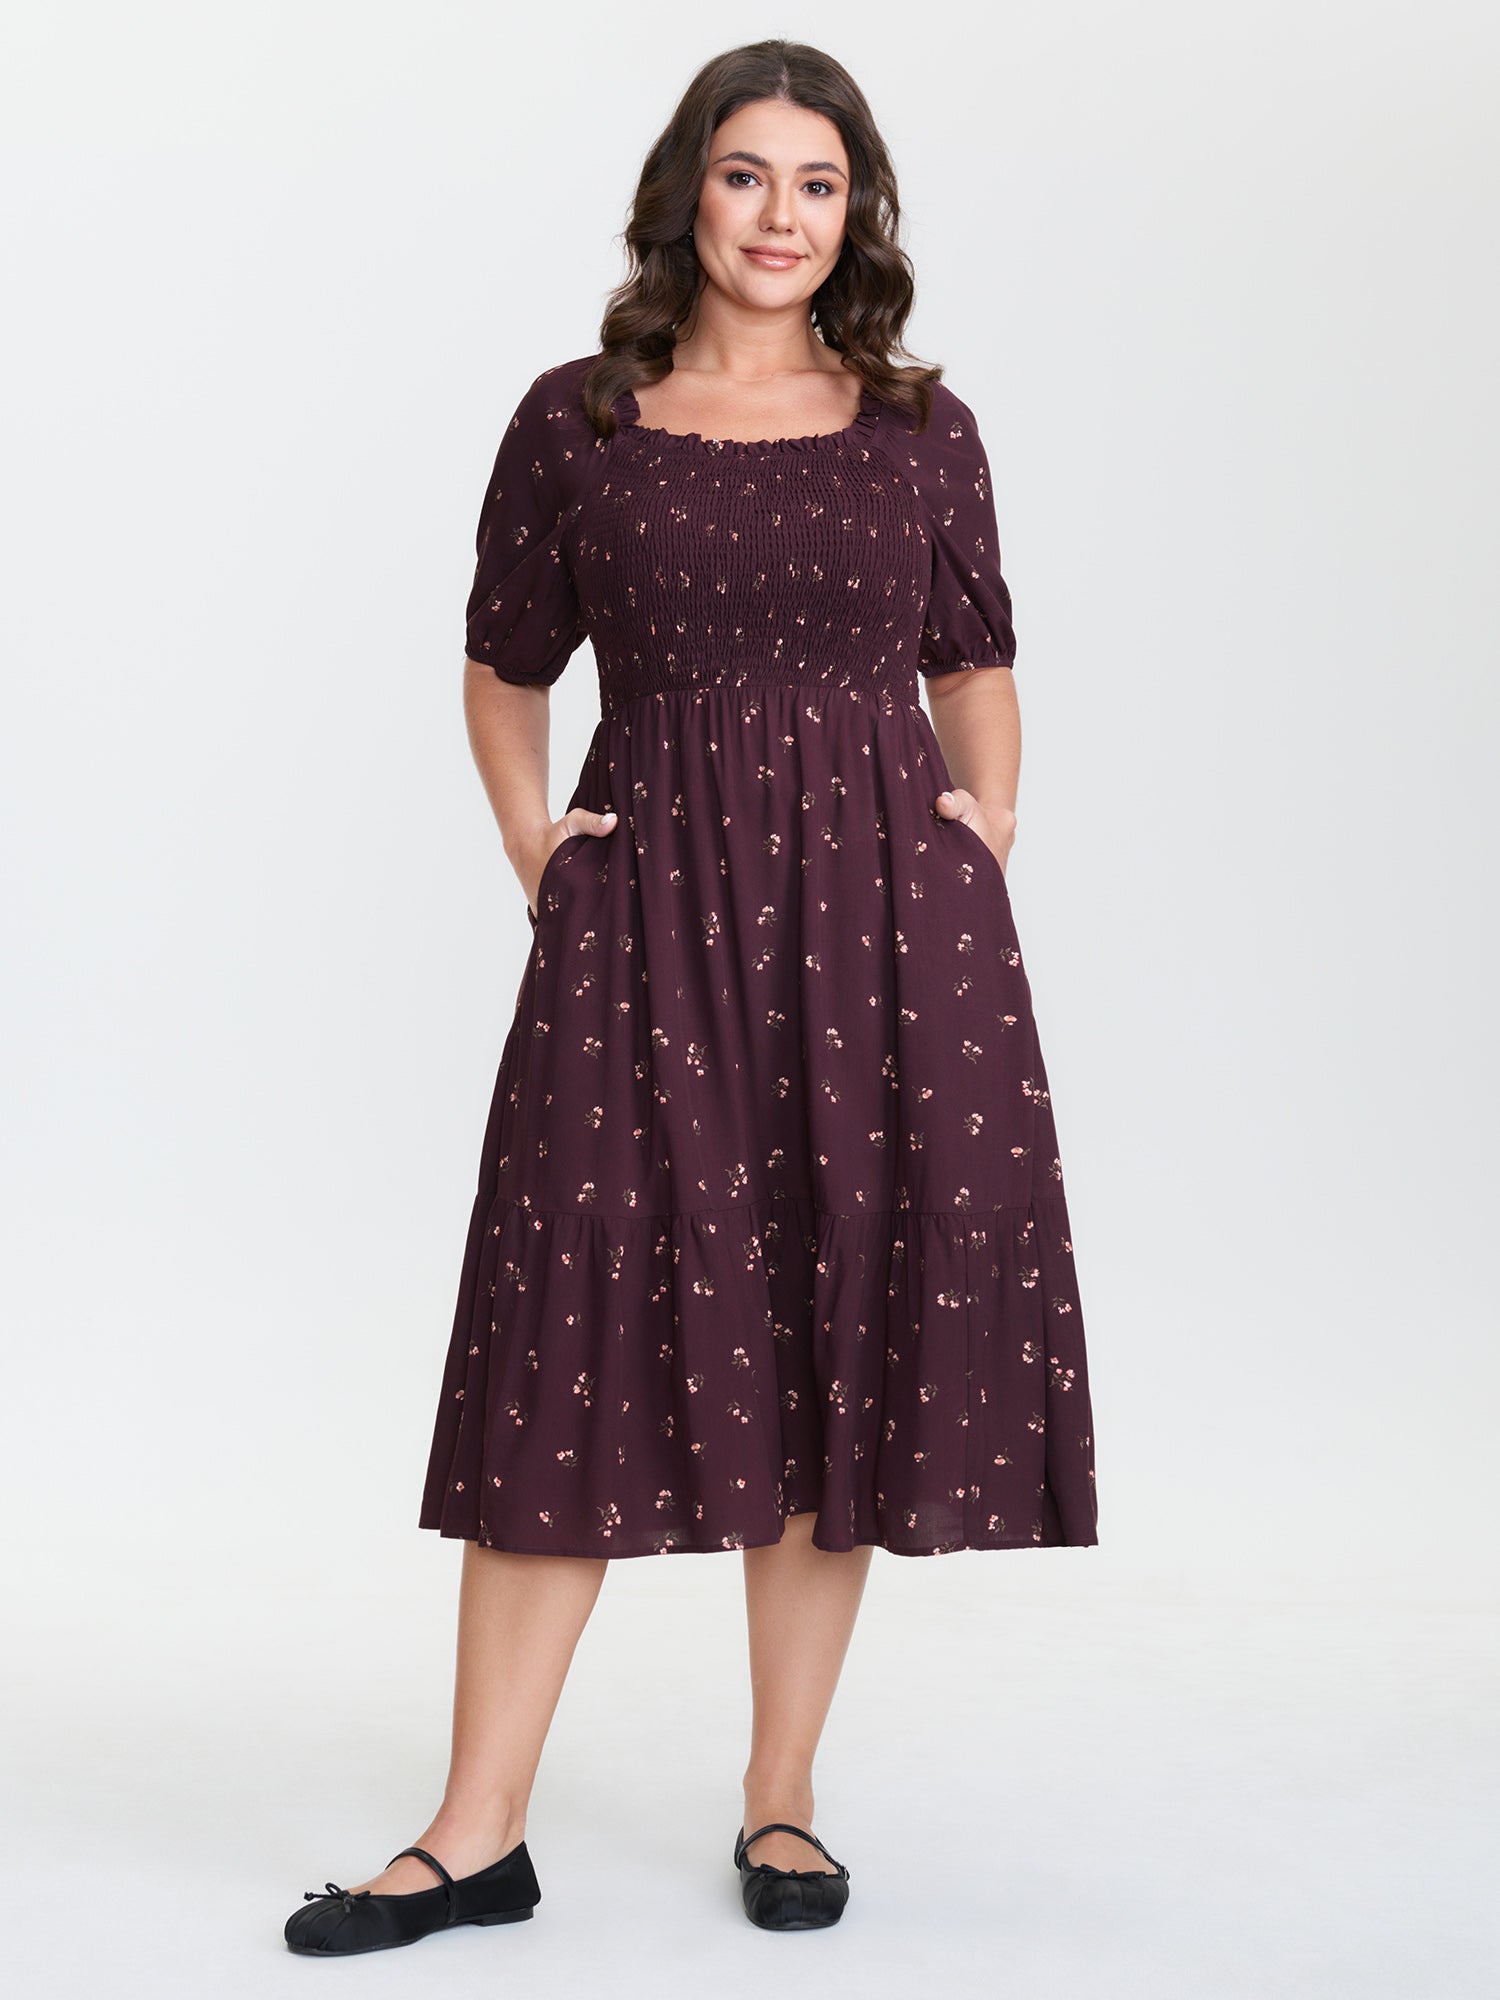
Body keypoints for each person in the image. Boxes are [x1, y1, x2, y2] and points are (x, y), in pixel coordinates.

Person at [284, 36, 1098, 1957]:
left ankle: (781, 1798)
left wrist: (984, 828)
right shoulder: (580, 420)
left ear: (855, 213)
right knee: (564, 1325)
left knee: (833, 1326)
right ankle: (476, 1832)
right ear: (688, 196)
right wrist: (530, 839)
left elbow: (974, 656)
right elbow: (506, 661)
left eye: (818, 184)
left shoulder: (921, 427)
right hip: (647, 915)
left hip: (887, 930)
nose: (781, 217)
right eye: (748, 176)